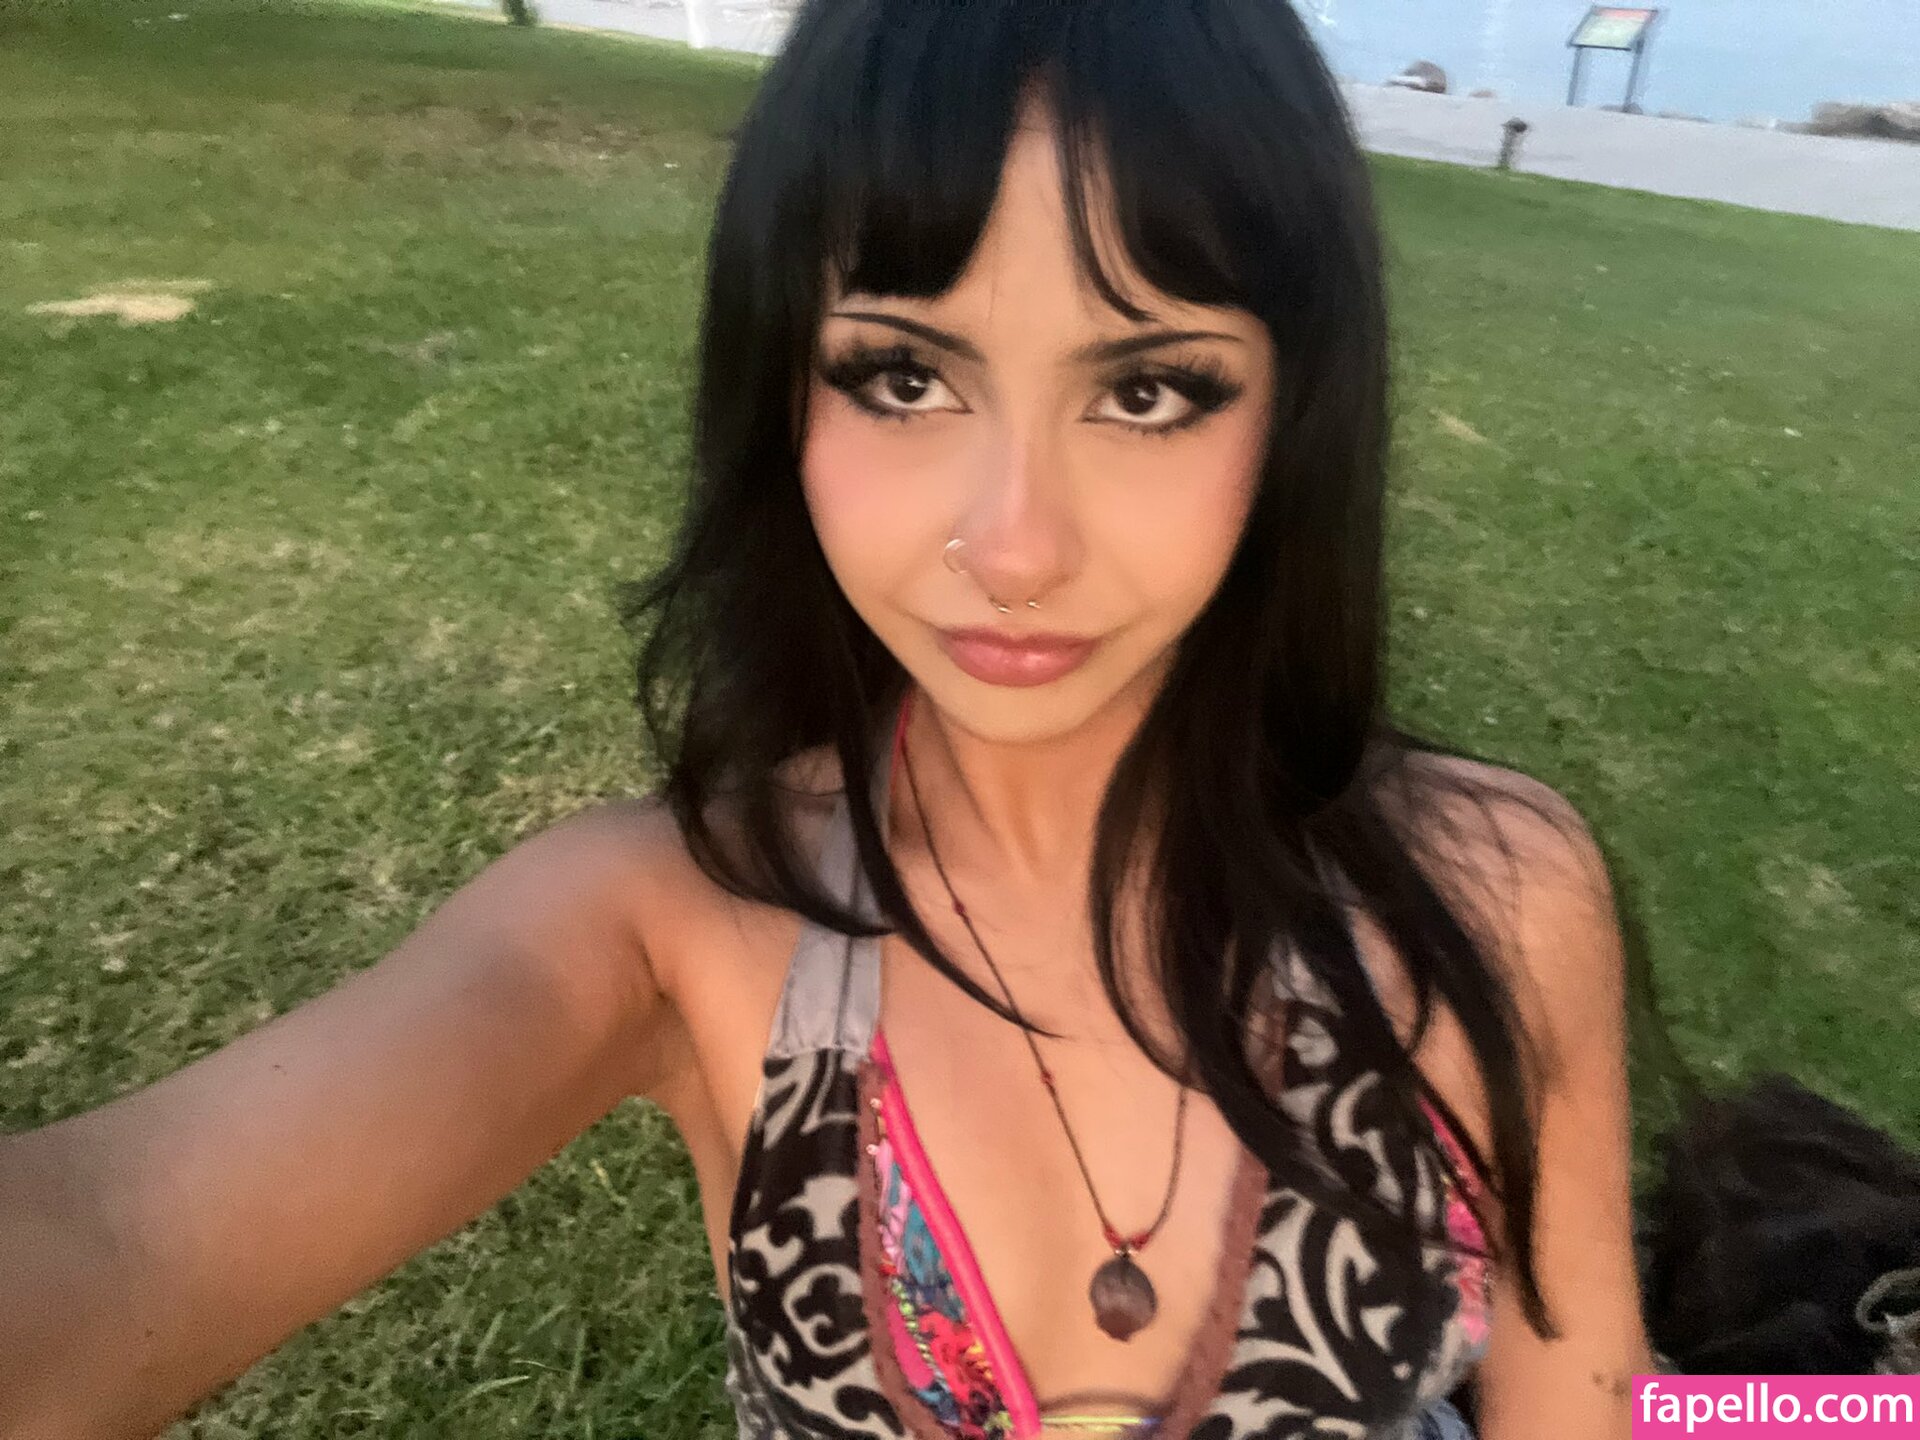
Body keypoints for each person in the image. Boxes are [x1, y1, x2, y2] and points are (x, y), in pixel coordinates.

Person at [0, 2, 1653, 1436]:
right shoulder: (681, 924)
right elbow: (123, 1243)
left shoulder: (1491, 896)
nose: (1015, 546)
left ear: (1292, 413)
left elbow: (1598, 1396)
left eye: (1146, 389)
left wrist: (1805, 1405)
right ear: (783, 381)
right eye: (906, 377)